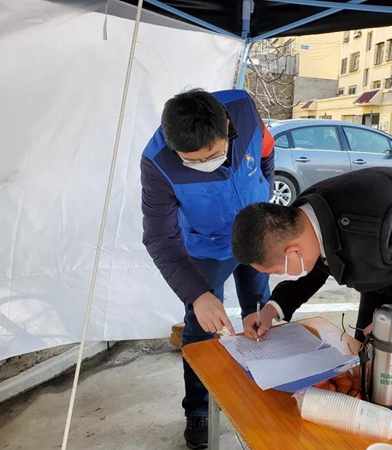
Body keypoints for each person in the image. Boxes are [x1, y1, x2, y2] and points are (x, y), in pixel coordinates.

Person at [231, 167, 392, 405]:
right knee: (369, 364)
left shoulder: (385, 220)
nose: (281, 275)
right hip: (388, 266)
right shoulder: (303, 220)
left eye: (276, 271)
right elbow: (317, 263)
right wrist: (272, 310)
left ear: (293, 252)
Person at [141, 88, 273, 449]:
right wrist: (198, 295)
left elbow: (266, 151)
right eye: (193, 161)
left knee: (260, 310)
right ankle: (198, 409)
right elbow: (159, 238)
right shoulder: (157, 163)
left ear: (227, 126)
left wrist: (264, 195)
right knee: (201, 325)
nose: (207, 164)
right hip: (207, 245)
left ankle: (266, 382)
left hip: (255, 232)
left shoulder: (244, 109)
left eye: (214, 155)